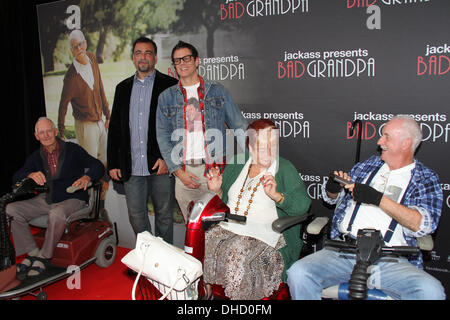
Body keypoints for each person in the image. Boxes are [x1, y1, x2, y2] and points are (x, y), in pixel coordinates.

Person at [287, 115, 445, 300]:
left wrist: (378, 199)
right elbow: (334, 200)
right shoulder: (368, 165)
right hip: (344, 252)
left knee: (431, 291)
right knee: (299, 273)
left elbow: (425, 224)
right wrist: (332, 190)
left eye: (387, 136)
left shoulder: (425, 178)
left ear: (405, 143)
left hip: (390, 258)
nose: (379, 141)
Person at [203, 119, 311, 299]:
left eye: (273, 145)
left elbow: (303, 205)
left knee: (237, 251)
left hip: (267, 236)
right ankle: (205, 293)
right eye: (263, 146)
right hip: (230, 229)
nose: (269, 151)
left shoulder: (284, 168)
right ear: (250, 146)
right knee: (203, 239)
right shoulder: (238, 163)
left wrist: (278, 196)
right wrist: (217, 190)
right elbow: (227, 203)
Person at [156, 40, 248, 222]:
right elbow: (163, 136)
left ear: (196, 61)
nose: (182, 63)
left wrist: (257, 159)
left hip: (214, 172)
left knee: (218, 227)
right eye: (177, 60)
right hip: (184, 174)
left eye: (186, 58)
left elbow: (240, 126)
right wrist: (178, 172)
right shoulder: (166, 97)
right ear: (174, 65)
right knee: (193, 230)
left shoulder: (217, 91)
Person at [6, 117, 104, 278]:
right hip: (48, 198)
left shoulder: (72, 149)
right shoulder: (36, 157)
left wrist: (88, 178)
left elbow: (97, 165)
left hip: (74, 198)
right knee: (11, 209)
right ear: (36, 136)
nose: (46, 135)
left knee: (56, 213)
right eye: (41, 132)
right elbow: (16, 177)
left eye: (49, 131)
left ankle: (44, 257)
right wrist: (29, 174)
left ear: (55, 132)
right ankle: (32, 253)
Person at [107, 37, 178, 243]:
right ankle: (147, 257)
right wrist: (112, 163)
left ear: (155, 58)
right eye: (139, 53)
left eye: (148, 53)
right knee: (137, 216)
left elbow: (176, 127)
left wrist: (168, 158)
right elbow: (115, 128)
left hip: (160, 166)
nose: (143, 57)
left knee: (164, 216)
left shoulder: (170, 85)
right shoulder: (122, 88)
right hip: (131, 166)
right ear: (133, 57)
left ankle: (165, 263)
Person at [58, 29, 111, 169]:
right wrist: (61, 132)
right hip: (85, 126)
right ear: (71, 50)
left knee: (104, 163)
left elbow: (100, 87)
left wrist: (108, 115)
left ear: (85, 43)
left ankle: (101, 191)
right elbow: (63, 105)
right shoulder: (71, 77)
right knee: (90, 168)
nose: (79, 48)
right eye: (75, 47)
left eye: (80, 44)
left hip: (99, 121)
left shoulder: (93, 59)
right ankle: (87, 191)